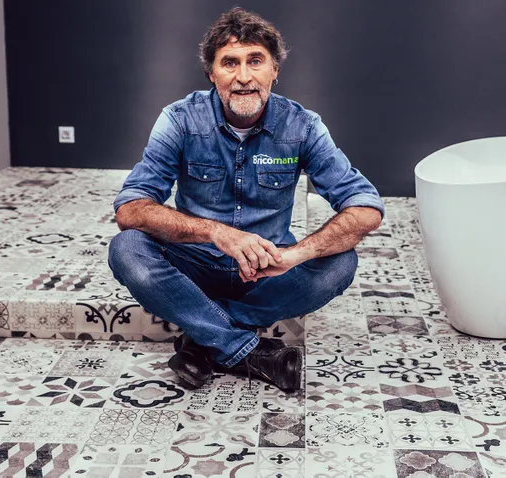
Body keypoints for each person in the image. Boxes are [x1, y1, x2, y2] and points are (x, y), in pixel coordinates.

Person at [107, 7, 385, 392]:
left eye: (255, 61)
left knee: (341, 262)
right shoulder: (179, 120)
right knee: (127, 248)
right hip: (195, 266)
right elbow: (131, 209)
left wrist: (296, 254)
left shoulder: (303, 126)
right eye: (229, 63)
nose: (243, 76)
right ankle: (248, 349)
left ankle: (204, 337)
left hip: (267, 272)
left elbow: (366, 207)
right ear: (212, 74)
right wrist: (218, 234)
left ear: (275, 71)